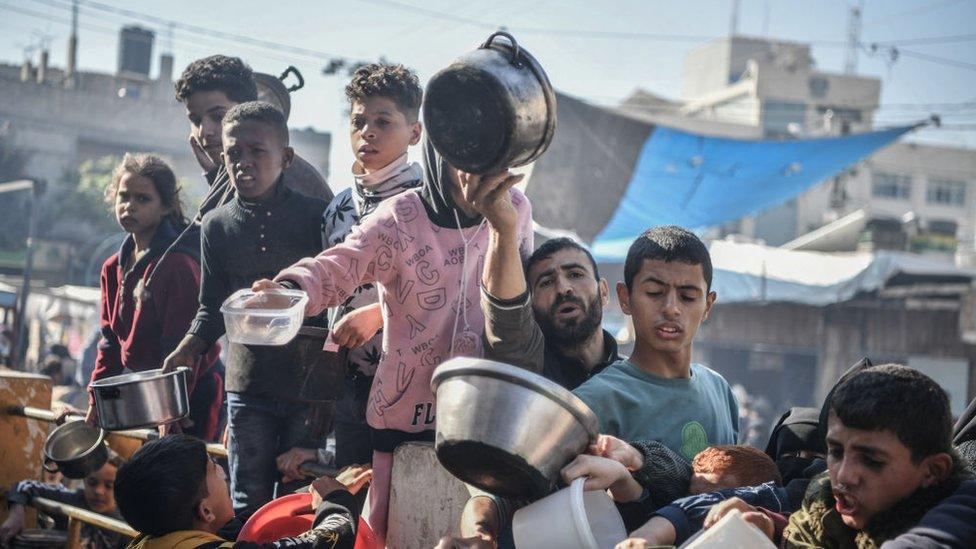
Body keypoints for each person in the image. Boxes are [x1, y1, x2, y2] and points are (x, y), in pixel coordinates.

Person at [252, 139, 534, 544]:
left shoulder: (517, 209)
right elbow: (341, 264)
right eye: (464, 151)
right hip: (404, 417)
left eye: (491, 153)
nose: (477, 168)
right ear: (439, 150)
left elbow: (525, 294)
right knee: (393, 534)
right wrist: (291, 289)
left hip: (485, 417)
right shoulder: (401, 217)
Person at [162, 102, 330, 514]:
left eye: (258, 151)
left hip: (306, 390)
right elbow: (212, 310)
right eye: (234, 153)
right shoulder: (216, 226)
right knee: (246, 501)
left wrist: (327, 394)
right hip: (248, 387)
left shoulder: (316, 218)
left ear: (286, 158)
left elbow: (334, 308)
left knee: (299, 505)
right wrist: (186, 349)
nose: (244, 163)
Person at [690, 364, 976, 549]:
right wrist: (770, 527)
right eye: (836, 452)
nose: (843, 475)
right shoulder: (821, 508)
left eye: (873, 461)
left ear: (934, 471)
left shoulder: (960, 512)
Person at [320, 62, 424, 470]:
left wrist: (380, 315)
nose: (368, 132)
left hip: (412, 389)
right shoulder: (337, 209)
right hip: (350, 387)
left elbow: (453, 293)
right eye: (359, 121)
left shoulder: (429, 204)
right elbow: (332, 294)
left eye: (383, 121)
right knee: (353, 502)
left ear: (414, 132)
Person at [85, 153, 221, 440]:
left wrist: (172, 409)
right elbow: (109, 340)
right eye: (124, 196)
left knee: (185, 476)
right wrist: (97, 398)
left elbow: (184, 349)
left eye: (142, 199)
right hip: (145, 393)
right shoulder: (112, 267)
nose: (129, 206)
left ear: (165, 207)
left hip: (190, 392)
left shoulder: (178, 265)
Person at [572, 226, 739, 458]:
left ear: (708, 306)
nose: (671, 309)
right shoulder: (593, 403)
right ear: (625, 298)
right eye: (654, 292)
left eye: (687, 297)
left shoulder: (720, 390)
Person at [116, 435, 369, 549]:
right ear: (205, 511)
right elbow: (325, 543)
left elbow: (235, 528)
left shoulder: (149, 540)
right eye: (213, 468)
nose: (223, 472)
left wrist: (315, 492)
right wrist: (337, 500)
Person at [175, 54, 333, 216]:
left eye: (218, 117)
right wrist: (216, 175)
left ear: (247, 109)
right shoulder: (239, 171)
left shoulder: (283, 181)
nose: (204, 132)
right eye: (195, 120)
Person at [1, 454, 128, 548]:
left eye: (109, 486)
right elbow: (25, 486)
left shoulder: (126, 521)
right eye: (92, 483)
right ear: (84, 480)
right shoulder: (71, 499)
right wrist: (16, 514)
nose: (99, 491)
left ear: (120, 488)